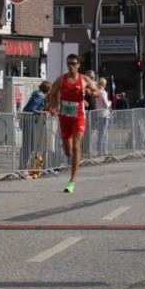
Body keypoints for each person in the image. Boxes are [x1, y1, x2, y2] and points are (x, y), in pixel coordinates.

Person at [46, 54, 101, 193]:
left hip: (79, 117)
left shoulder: (85, 79)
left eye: (73, 63)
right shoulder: (61, 79)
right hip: (64, 117)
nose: (70, 66)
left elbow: (98, 93)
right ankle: (70, 157)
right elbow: (52, 95)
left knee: (76, 146)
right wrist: (52, 106)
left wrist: (91, 92)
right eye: (68, 63)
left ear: (78, 65)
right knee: (68, 149)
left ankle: (72, 181)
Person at [93, 77, 112, 156]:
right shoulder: (103, 92)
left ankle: (100, 151)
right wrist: (110, 102)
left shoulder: (97, 92)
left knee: (101, 133)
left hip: (99, 114)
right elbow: (106, 105)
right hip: (104, 115)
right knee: (103, 134)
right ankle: (102, 151)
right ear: (104, 84)